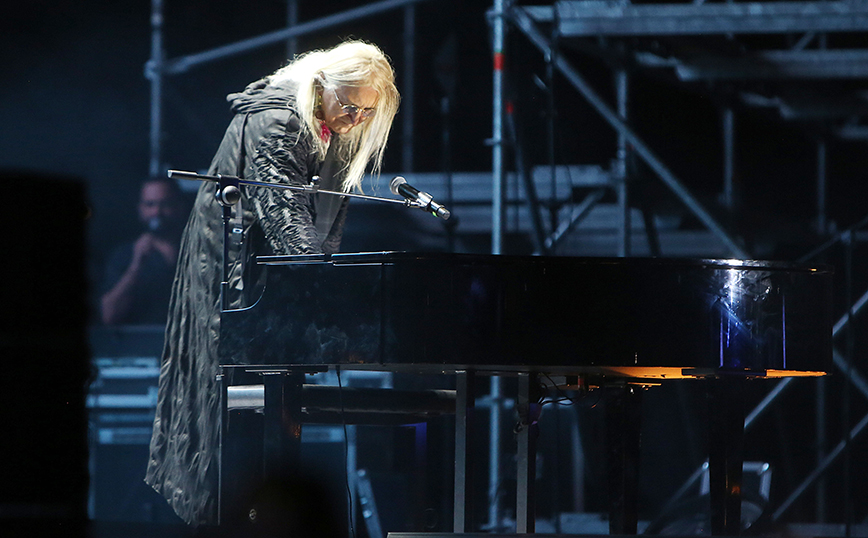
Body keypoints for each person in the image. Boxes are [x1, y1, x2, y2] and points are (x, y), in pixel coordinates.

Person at [145, 40, 400, 527]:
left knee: (268, 402)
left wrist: (322, 284)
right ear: (322, 87)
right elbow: (287, 220)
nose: (356, 119)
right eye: (350, 106)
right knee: (223, 407)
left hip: (267, 270)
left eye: (368, 112)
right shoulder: (279, 120)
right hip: (232, 270)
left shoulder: (334, 125)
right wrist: (323, 293)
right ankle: (224, 516)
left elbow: (326, 223)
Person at [100, 177, 186, 325]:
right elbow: (108, 315)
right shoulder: (124, 255)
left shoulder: (196, 252)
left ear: (179, 206)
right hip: (140, 338)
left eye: (165, 204)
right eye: (150, 204)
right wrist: (136, 266)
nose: (157, 212)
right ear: (140, 209)